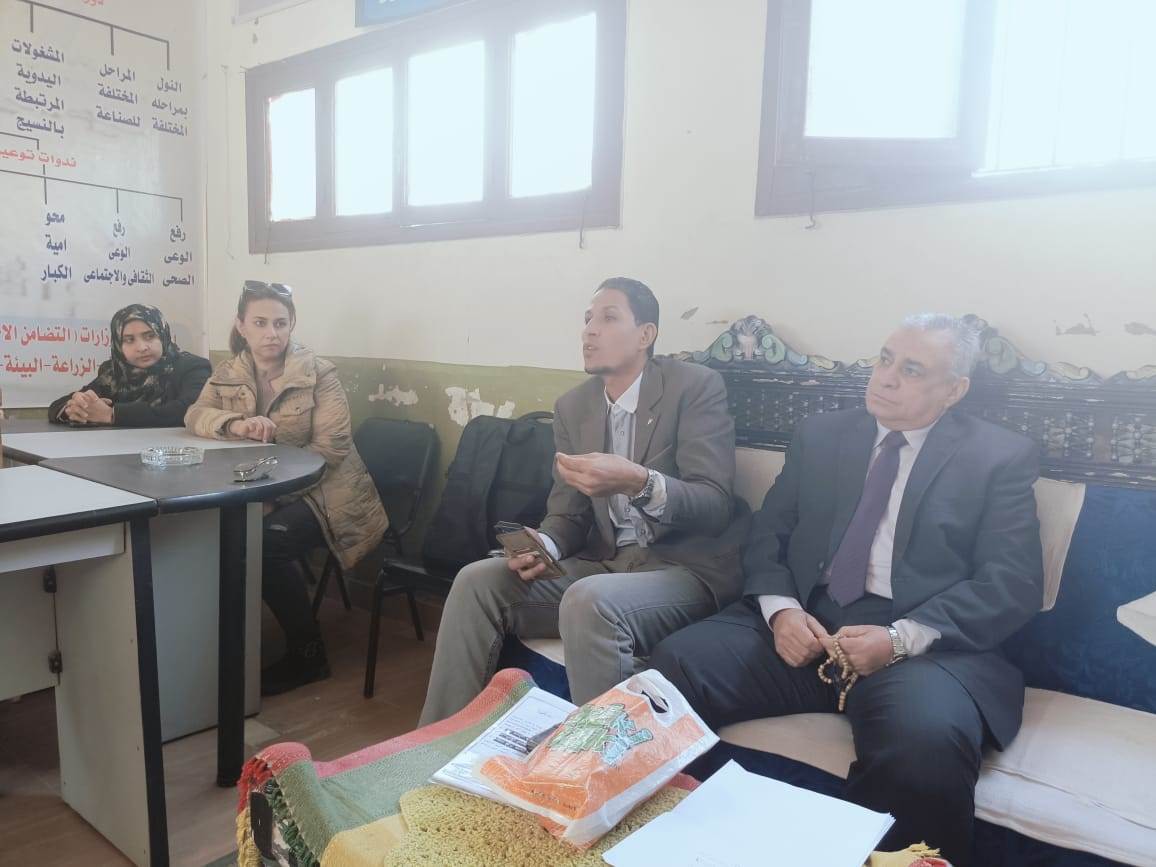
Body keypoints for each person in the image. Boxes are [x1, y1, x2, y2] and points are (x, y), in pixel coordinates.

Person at [650, 314, 1044, 867]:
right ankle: (666, 844)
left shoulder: (998, 457)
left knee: (925, 747)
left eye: (912, 370)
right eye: (884, 359)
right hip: (809, 620)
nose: (886, 378)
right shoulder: (822, 435)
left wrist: (899, 639)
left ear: (954, 390)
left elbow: (1013, 581)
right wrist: (781, 612)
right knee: (672, 670)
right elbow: (768, 534)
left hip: (923, 647)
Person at [420, 277, 747, 726]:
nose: (589, 330)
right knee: (478, 581)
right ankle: (440, 742)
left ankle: (600, 761)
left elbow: (714, 504)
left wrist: (639, 482)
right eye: (588, 318)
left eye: (608, 318)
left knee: (589, 600)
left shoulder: (694, 387)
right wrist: (546, 545)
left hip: (682, 568)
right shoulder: (574, 407)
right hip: (608, 562)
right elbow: (568, 513)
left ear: (646, 334)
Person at [185, 281, 389, 695]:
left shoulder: (319, 374)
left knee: (264, 544)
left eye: (280, 323)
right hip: (264, 489)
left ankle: (308, 656)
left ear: (292, 324)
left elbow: (330, 449)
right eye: (260, 323)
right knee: (214, 532)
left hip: (329, 493)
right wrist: (234, 424)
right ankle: (215, 645)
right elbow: (194, 415)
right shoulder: (229, 373)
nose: (271, 333)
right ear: (241, 325)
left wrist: (274, 498)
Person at [48, 304, 210, 427]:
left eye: (149, 336)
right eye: (129, 340)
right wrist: (75, 408)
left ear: (163, 336)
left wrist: (111, 414)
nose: (142, 347)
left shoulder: (192, 367)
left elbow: (189, 411)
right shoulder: (114, 373)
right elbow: (56, 407)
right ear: (118, 346)